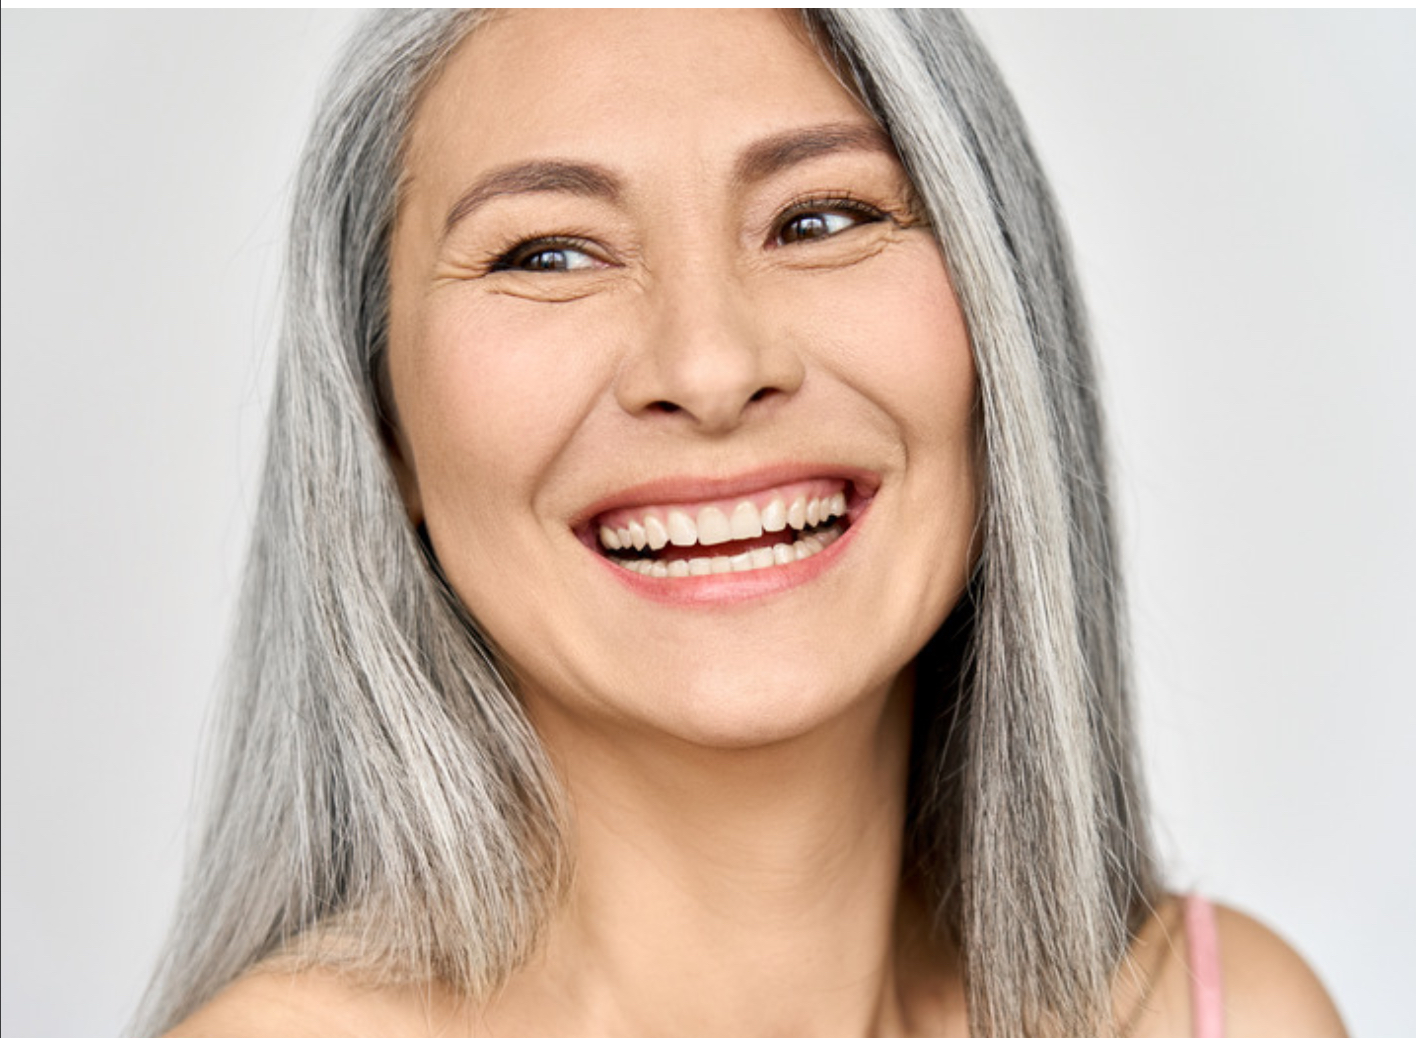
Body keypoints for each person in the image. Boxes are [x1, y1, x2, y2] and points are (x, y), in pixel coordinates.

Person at [135, 10, 1347, 1038]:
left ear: (1000, 323)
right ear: (381, 423)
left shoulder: (1225, 1013)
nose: (711, 368)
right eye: (550, 253)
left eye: (820, 219)